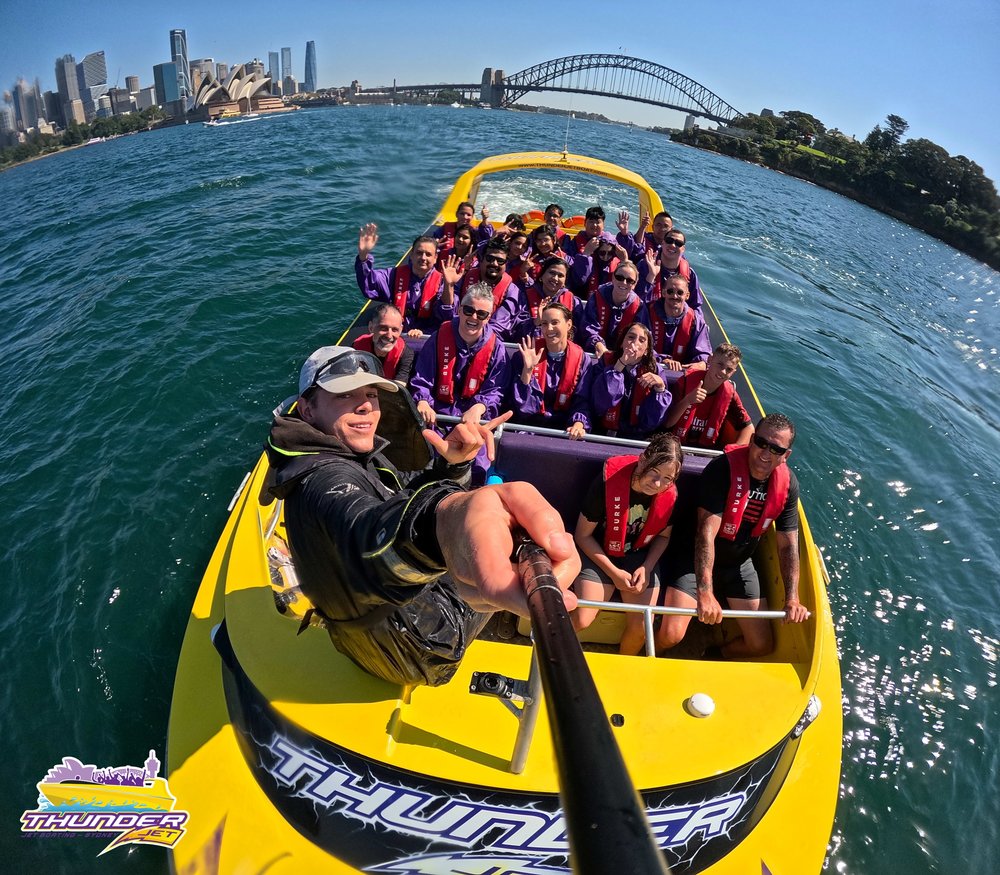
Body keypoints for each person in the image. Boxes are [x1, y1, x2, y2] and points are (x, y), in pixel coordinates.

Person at [266, 345, 579, 687]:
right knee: (508, 552)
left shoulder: (334, 453)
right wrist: (442, 522)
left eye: (371, 394)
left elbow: (395, 499)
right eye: (345, 395)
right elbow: (369, 538)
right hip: (420, 650)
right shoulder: (326, 480)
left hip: (374, 635)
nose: (366, 406)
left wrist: (454, 465)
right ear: (308, 409)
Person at [655, 413, 809, 658]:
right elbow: (706, 533)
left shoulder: (789, 485)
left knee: (761, 645)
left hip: (738, 564)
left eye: (775, 449)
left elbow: (788, 545)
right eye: (760, 442)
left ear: (785, 456)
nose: (765, 453)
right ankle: (651, 657)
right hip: (693, 560)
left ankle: (712, 655)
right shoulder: (722, 469)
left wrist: (792, 598)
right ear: (751, 440)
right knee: (670, 635)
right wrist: (705, 592)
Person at [571, 435, 683, 655]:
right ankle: (549, 651)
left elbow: (663, 536)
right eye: (654, 472)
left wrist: (647, 568)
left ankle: (623, 665)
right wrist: (613, 573)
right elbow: (582, 535)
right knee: (583, 618)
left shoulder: (668, 494)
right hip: (599, 551)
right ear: (642, 460)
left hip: (638, 557)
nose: (658, 484)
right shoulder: (608, 481)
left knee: (642, 627)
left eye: (667, 478)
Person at [410, 282, 511, 479]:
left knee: (475, 471)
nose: (473, 317)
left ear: (488, 318)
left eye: (481, 314)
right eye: (469, 310)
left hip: (473, 421)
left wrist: (480, 407)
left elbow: (495, 391)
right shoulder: (438, 338)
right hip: (437, 417)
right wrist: (422, 400)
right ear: (459, 309)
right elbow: (422, 379)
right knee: (422, 466)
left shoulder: (497, 349)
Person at [509, 302, 595, 439]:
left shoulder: (583, 360)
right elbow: (523, 409)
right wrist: (527, 371)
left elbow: (582, 401)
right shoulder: (526, 354)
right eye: (544, 323)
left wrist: (579, 422)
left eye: (555, 322)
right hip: (527, 427)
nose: (549, 329)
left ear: (568, 324)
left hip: (564, 428)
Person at [355, 224, 450, 336]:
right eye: (419, 253)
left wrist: (450, 286)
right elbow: (370, 283)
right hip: (395, 333)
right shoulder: (394, 275)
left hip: (427, 335)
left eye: (428, 254)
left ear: (435, 259)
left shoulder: (442, 282)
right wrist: (363, 256)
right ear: (411, 255)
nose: (423, 258)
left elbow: (446, 317)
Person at [663, 343, 753, 449]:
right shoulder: (685, 382)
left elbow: (748, 428)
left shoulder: (730, 393)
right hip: (675, 445)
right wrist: (687, 400)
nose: (723, 371)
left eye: (729, 369)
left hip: (705, 450)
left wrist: (734, 452)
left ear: (733, 372)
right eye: (720, 364)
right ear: (710, 360)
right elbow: (667, 423)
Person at [592, 323, 672, 439]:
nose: (635, 343)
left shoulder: (654, 370)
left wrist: (660, 388)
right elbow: (600, 403)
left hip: (636, 436)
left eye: (642, 340)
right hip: (602, 431)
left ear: (646, 350)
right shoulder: (606, 362)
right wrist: (620, 365)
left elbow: (653, 421)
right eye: (631, 337)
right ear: (621, 343)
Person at [452, 237, 524, 342]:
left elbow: (500, 326)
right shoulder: (462, 278)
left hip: (487, 341)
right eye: (490, 259)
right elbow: (448, 313)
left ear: (506, 264)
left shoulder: (512, 291)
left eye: (500, 261)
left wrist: (471, 337)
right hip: (456, 334)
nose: (494, 264)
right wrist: (448, 286)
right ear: (481, 259)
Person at [580, 260, 650, 359]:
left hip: (625, 357)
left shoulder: (640, 307)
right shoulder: (597, 297)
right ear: (613, 278)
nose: (624, 282)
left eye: (629, 280)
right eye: (619, 278)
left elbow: (643, 338)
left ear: (635, 284)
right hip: (595, 354)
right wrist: (598, 344)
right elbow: (587, 327)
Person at [647, 275, 712, 370]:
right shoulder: (648, 313)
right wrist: (663, 359)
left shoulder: (696, 320)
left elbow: (703, 351)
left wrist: (702, 363)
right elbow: (639, 344)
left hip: (681, 373)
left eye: (680, 292)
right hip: (651, 367)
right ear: (664, 293)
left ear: (687, 296)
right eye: (670, 291)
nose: (674, 296)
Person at [636, 229, 703, 309]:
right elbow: (635, 299)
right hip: (646, 315)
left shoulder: (690, 274)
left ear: (683, 249)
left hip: (675, 317)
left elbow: (695, 305)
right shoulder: (645, 265)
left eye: (678, 243)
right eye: (669, 241)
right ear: (663, 243)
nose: (673, 245)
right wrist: (651, 277)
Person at [520, 256, 583, 339]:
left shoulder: (573, 301)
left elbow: (579, 334)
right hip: (531, 347)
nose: (555, 278)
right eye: (552, 273)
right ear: (541, 276)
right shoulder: (525, 296)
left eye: (560, 275)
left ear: (564, 281)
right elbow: (516, 331)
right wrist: (536, 321)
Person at [351, 303, 415, 384]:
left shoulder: (406, 354)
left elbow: (400, 386)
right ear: (371, 327)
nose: (389, 335)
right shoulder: (356, 348)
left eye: (395, 330)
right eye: (383, 328)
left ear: (401, 330)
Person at [570, 234, 629, 299]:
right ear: (597, 251)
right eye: (602, 253)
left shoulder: (619, 265)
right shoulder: (587, 261)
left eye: (610, 253)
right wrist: (586, 253)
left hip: (607, 303)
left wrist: (625, 261)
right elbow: (579, 280)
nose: (606, 257)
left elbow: (627, 286)